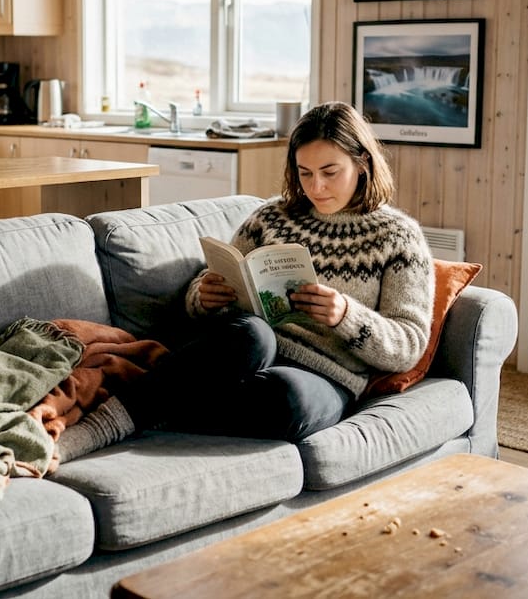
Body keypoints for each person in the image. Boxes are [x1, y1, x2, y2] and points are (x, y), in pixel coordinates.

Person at [56, 101, 436, 461]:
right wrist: (204, 296)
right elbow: (209, 288)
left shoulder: (398, 237)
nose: (316, 187)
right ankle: (102, 427)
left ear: (362, 164)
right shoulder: (270, 218)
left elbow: (409, 346)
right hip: (245, 353)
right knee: (252, 333)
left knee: (287, 399)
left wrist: (345, 316)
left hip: (327, 377)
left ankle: (165, 403)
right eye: (305, 173)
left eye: (330, 172)